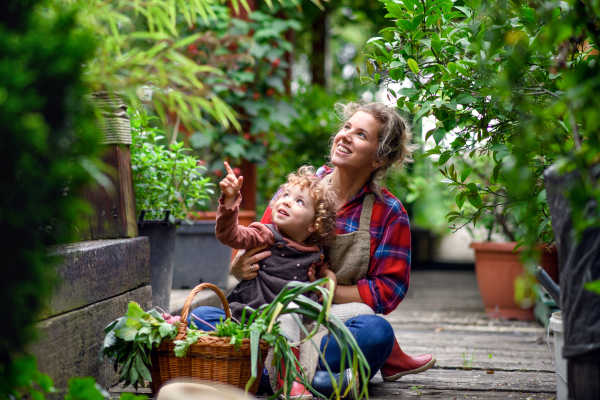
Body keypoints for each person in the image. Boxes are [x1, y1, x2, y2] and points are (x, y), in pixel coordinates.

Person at [229, 102, 436, 396]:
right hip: (272, 316)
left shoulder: (389, 213)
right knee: (209, 317)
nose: (346, 135)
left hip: (328, 323)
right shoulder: (298, 189)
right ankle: (326, 382)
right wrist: (238, 267)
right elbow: (255, 241)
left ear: (378, 159)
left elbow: (387, 291)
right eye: (346, 127)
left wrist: (320, 288)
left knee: (377, 333)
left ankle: (270, 373)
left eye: (361, 134)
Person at [204, 161, 338, 400]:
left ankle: (285, 376)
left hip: (295, 323)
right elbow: (230, 235)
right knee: (203, 315)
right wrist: (229, 201)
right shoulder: (264, 234)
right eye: (285, 194)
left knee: (351, 320)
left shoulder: (315, 252)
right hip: (254, 315)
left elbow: (318, 285)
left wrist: (323, 285)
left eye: (299, 201)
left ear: (313, 225)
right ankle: (298, 380)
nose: (286, 200)